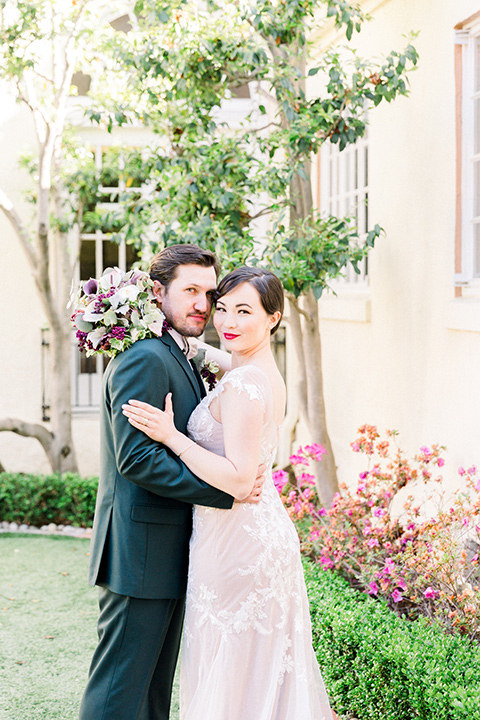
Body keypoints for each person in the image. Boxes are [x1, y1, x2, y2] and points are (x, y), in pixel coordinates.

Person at [122, 266, 334, 720]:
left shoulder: (243, 384)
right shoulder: (254, 368)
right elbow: (214, 354)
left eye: (244, 311)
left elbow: (239, 480)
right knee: (251, 674)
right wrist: (162, 326)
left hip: (238, 542)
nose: (228, 322)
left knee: (231, 673)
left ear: (273, 318)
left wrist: (171, 436)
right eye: (222, 309)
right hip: (252, 534)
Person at [79, 245, 265, 720]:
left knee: (151, 693)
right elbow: (137, 459)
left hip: (168, 549)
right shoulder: (146, 357)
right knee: (119, 690)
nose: (203, 303)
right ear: (158, 292)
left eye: (210, 293)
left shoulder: (179, 352)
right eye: (191, 291)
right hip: (140, 552)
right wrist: (226, 491)